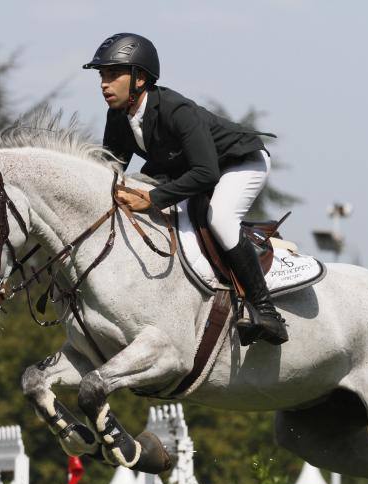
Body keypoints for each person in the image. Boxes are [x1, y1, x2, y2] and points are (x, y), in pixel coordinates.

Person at [84, 33, 288, 346]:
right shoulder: (118, 117)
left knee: (220, 217)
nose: (104, 84)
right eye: (102, 76)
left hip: (240, 163)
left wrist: (152, 198)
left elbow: (206, 173)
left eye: (112, 75)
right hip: (191, 168)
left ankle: (266, 311)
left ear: (140, 79)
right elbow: (110, 172)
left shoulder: (176, 110)